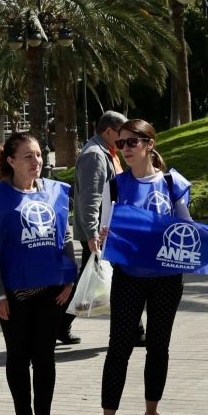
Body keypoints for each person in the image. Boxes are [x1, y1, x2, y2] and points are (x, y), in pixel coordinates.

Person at [92, 119, 188, 415]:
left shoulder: (172, 183)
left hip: (166, 279)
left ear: (149, 143)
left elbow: (187, 230)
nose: (126, 148)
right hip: (129, 277)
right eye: (121, 143)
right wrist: (103, 237)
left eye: (133, 142)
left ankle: (152, 412)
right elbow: (104, 233)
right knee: (118, 348)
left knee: (158, 347)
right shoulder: (115, 186)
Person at [0, 131, 75, 415]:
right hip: (13, 294)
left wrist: (69, 279)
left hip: (51, 290)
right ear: (10, 161)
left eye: (38, 155)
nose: (36, 161)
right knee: (18, 356)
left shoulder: (57, 192)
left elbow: (66, 236)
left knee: (44, 356)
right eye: (28, 156)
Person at [67, 109, 127, 346]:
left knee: (87, 280)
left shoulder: (108, 152)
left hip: (109, 229)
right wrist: (92, 234)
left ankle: (59, 325)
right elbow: (90, 198)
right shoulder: (94, 155)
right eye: (121, 134)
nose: (125, 139)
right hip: (100, 232)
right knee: (113, 280)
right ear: (109, 131)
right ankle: (134, 330)